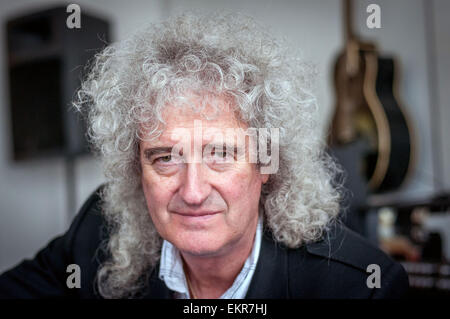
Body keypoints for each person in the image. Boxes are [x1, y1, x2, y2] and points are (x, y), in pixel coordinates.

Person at [0, 12, 408, 299]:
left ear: (266, 162)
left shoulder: (360, 286)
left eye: (220, 154)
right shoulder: (96, 232)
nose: (192, 192)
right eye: (165, 158)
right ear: (136, 168)